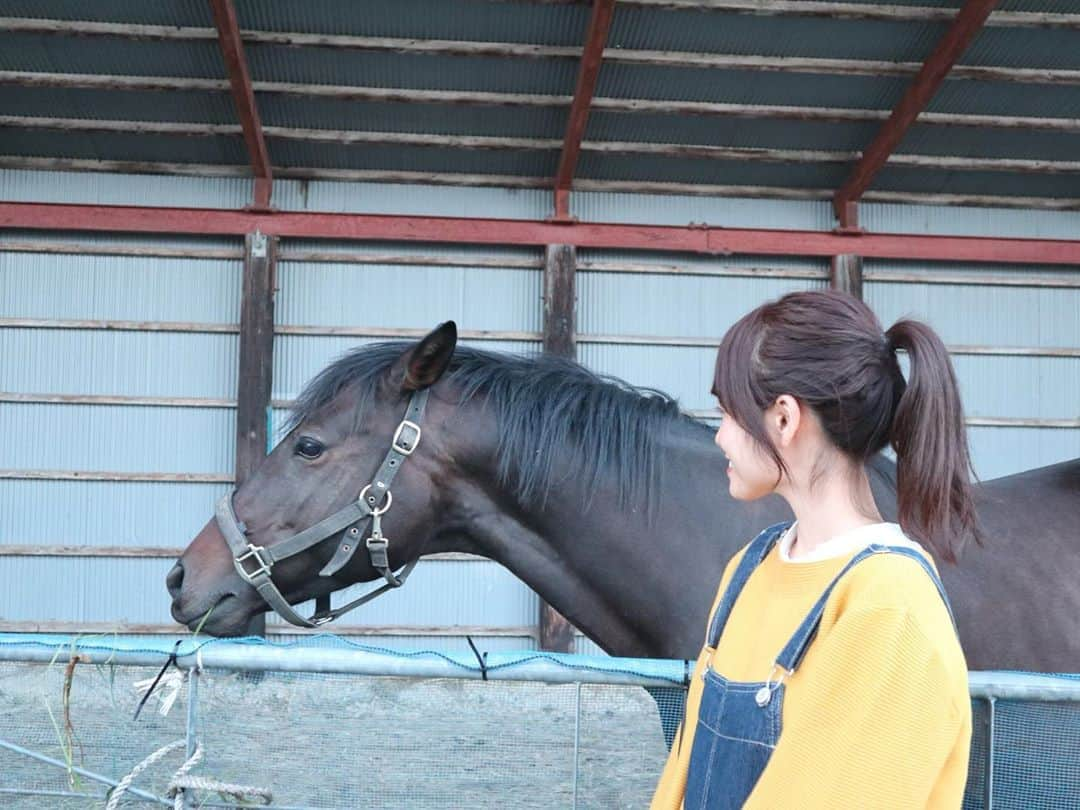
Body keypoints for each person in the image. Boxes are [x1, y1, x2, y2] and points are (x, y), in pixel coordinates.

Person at [651, 290, 977, 809]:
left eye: (729, 413)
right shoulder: (748, 570)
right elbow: (682, 779)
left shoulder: (891, 609)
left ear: (783, 419)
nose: (719, 437)